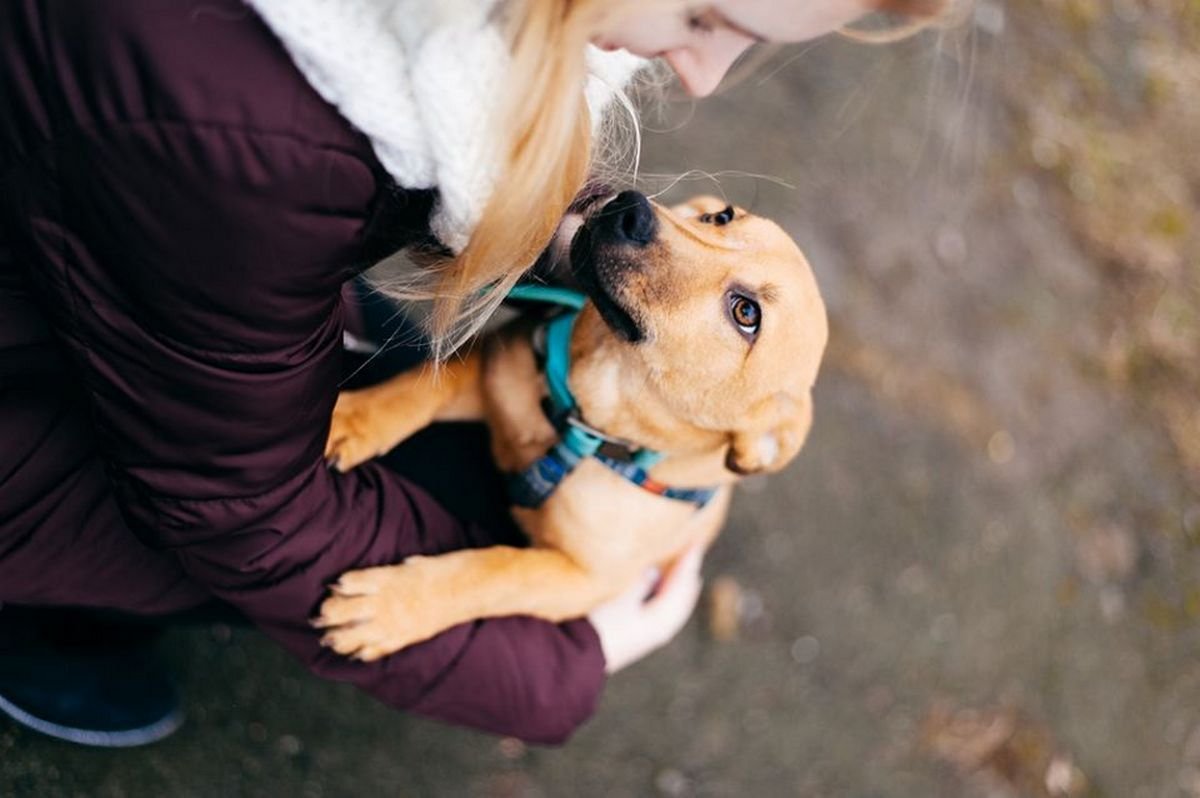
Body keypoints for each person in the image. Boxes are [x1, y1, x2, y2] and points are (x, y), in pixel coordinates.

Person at [0, 0, 948, 747]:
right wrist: (558, 666)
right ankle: (64, 636)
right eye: (726, 220)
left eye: (741, 311)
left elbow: (574, 571)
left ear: (761, 439)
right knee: (413, 437)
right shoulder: (241, 136)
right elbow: (240, 512)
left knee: (432, 419)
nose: (670, 224)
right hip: (67, 396)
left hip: (89, 281)